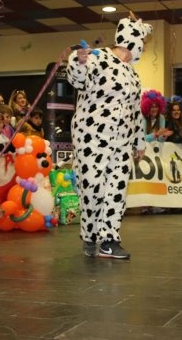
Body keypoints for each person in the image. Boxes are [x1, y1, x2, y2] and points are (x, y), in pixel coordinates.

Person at [67, 13, 152, 259]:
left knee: (116, 189)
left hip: (122, 142)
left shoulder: (133, 74)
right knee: (91, 187)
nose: (143, 49)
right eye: (143, 43)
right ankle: (90, 235)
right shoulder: (98, 58)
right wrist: (78, 61)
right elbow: (77, 80)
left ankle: (110, 240)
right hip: (91, 138)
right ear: (132, 39)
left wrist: (139, 140)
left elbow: (136, 110)